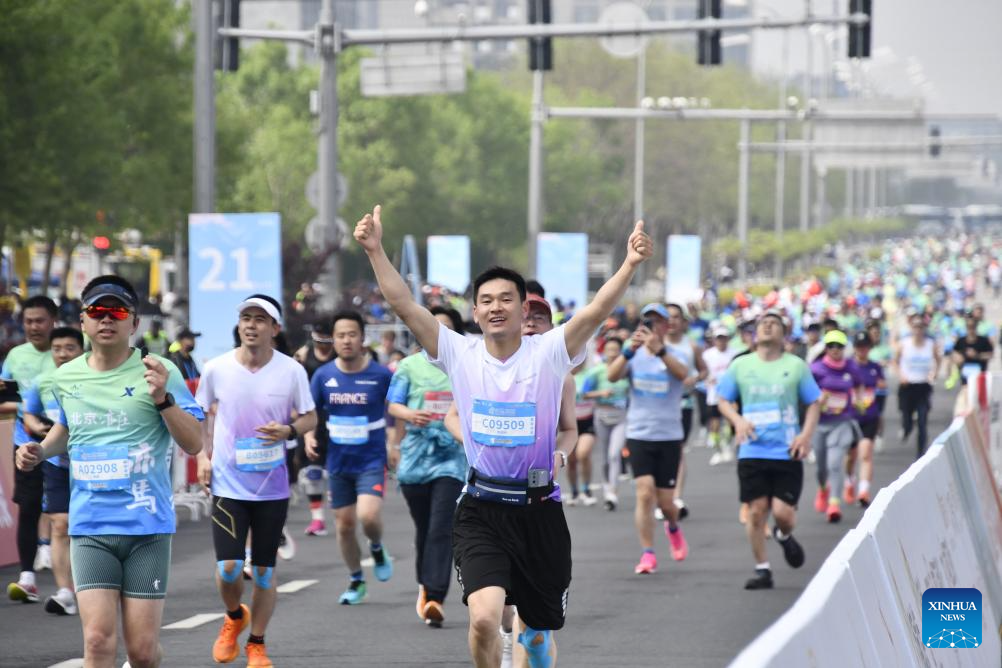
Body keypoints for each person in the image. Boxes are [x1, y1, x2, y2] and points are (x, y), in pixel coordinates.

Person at [353, 204, 652, 668]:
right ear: (475, 311)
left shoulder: (550, 352)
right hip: (482, 508)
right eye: (487, 300)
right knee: (484, 619)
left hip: (539, 511)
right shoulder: (459, 353)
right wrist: (375, 250)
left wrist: (630, 264)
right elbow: (404, 305)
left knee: (536, 638)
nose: (496, 307)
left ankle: (536, 644)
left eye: (506, 299)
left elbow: (596, 311)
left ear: (523, 308)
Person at [16, 275, 204, 668]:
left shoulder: (160, 370)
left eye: (116, 312)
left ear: (133, 322)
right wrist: (41, 450)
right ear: (82, 321)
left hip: (146, 527)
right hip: (91, 526)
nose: (106, 319)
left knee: (142, 653)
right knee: (98, 642)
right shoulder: (65, 377)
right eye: (97, 311)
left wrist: (163, 399)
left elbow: (193, 443)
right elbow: (68, 429)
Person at [195, 294, 317, 667]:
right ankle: (234, 616)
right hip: (228, 483)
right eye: (246, 318)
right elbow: (198, 415)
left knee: (263, 572)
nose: (251, 325)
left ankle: (257, 644)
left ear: (274, 328)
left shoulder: (291, 370)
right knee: (229, 568)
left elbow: (310, 418)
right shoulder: (216, 368)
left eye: (260, 319)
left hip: (272, 487)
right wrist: (202, 457)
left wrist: (289, 430)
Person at [716, 310, 821, 590]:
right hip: (752, 450)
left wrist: (805, 436)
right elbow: (722, 399)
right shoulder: (741, 365)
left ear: (783, 334)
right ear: (755, 333)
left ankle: (784, 535)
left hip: (786, 450)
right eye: (763, 323)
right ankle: (762, 569)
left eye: (774, 324)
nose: (768, 327)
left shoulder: (796, 366)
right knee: (756, 511)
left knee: (783, 514)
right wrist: (738, 421)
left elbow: (814, 402)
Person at [386, 306, 468, 627]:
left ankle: (435, 596)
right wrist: (409, 416)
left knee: (441, 526)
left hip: (452, 456)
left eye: (445, 328)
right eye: (431, 326)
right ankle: (425, 585)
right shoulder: (408, 366)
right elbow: (393, 404)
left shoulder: (465, 365)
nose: (436, 333)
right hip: (416, 456)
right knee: (424, 527)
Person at [305, 310, 394, 605]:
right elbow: (310, 412)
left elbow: (395, 409)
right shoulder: (323, 376)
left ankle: (377, 546)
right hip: (338, 462)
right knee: (344, 525)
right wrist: (308, 436)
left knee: (368, 516)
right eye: (341, 335)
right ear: (333, 339)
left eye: (352, 335)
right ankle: (356, 580)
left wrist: (395, 444)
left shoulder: (381, 375)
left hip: (371, 460)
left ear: (362, 338)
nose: (346, 340)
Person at [606, 303, 691, 574]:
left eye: (657, 322)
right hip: (639, 434)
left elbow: (683, 374)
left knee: (666, 503)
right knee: (644, 493)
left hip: (668, 435)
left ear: (667, 326)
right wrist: (628, 351)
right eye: (647, 322)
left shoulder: (677, 353)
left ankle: (673, 527)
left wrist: (660, 351)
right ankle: (648, 553)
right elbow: (612, 376)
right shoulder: (633, 354)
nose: (652, 327)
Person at [22, 327, 85, 615]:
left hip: (93, 466)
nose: (62, 354)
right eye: (57, 349)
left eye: (69, 348)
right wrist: (36, 429)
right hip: (57, 463)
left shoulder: (94, 379)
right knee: (60, 523)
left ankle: (93, 587)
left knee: (89, 529)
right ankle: (65, 592)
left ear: (82, 350)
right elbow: (29, 413)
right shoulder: (45, 381)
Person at [3, 295, 57, 602]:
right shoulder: (15, 357)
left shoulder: (66, 351)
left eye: (40, 321)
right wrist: (28, 412)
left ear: (53, 322)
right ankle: (27, 578)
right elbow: (3, 400)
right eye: (28, 321)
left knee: (64, 513)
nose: (34, 327)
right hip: (26, 444)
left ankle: (73, 583)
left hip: (64, 444)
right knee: (29, 507)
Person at [809, 330, 865, 524]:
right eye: (831, 346)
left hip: (842, 422)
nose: (835, 350)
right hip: (820, 423)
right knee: (821, 467)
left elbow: (859, 385)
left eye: (839, 346)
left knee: (834, 463)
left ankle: (834, 504)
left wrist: (859, 400)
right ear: (826, 348)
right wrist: (818, 398)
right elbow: (805, 392)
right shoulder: (815, 369)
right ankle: (823, 489)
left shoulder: (851, 367)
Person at [293, 319, 337, 537]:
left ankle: (341, 512)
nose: (323, 347)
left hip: (339, 419)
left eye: (327, 342)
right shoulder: (303, 356)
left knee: (338, 472)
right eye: (320, 342)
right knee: (313, 472)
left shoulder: (341, 355)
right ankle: (317, 519)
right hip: (311, 419)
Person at [664, 303, 707, 520]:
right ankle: (662, 496)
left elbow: (704, 370)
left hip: (683, 404)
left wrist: (695, 379)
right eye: (667, 317)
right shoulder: (654, 344)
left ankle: (676, 497)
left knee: (677, 449)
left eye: (675, 317)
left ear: (683, 322)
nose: (671, 321)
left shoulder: (691, 346)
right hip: (658, 405)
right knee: (660, 451)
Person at [580, 337, 630, 510]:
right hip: (601, 415)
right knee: (605, 455)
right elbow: (583, 394)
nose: (612, 353)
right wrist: (601, 393)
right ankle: (607, 487)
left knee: (614, 454)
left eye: (616, 350)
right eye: (609, 350)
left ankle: (612, 493)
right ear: (604, 351)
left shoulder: (626, 370)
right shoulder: (596, 371)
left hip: (621, 416)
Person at [845, 331, 885, 508]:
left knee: (866, 453)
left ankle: (863, 491)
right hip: (850, 417)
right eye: (859, 346)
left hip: (870, 416)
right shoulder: (848, 366)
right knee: (851, 456)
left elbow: (882, 385)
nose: (862, 350)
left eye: (866, 346)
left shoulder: (875, 367)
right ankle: (849, 479)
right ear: (855, 348)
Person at [894, 312, 941, 458]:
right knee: (907, 418)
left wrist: (934, 373)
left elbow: (938, 359)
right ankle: (906, 429)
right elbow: (895, 361)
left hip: (923, 386)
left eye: (921, 326)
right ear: (911, 327)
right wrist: (901, 375)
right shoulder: (904, 343)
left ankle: (920, 454)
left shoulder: (930, 344)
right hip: (907, 386)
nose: (918, 330)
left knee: (922, 420)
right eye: (915, 326)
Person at [702, 326, 736, 465]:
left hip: (730, 395)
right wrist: (706, 379)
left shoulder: (734, 353)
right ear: (714, 340)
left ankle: (726, 445)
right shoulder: (707, 355)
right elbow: (702, 371)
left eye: (723, 338)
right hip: (713, 395)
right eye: (718, 338)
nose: (721, 341)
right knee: (714, 425)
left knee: (730, 422)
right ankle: (718, 450)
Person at [950, 311, 993, 386]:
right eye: (968, 326)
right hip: (965, 375)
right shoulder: (961, 341)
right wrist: (958, 358)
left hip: (980, 376)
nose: (970, 329)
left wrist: (977, 355)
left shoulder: (983, 341)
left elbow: (990, 355)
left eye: (972, 326)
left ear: (976, 326)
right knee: (965, 390)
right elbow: (954, 353)